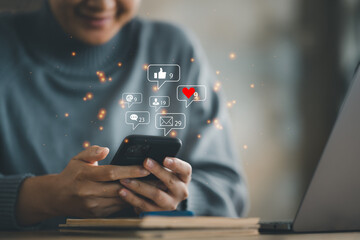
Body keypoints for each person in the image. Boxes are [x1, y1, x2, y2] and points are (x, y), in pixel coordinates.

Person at [0, 0, 248, 230]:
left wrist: (180, 200)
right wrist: (44, 197)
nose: (102, 4)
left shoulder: (174, 49)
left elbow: (230, 190)